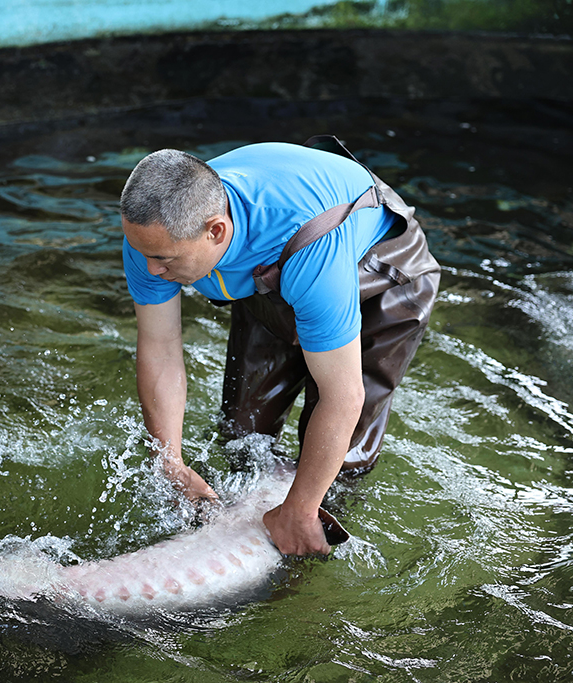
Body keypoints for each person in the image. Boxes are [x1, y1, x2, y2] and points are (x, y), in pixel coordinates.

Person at [120, 136, 440, 556]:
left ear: (216, 231)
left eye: (165, 260)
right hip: (274, 272)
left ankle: (305, 546)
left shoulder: (311, 252)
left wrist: (302, 509)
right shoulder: (154, 236)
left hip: (379, 278)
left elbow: (343, 396)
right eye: (143, 252)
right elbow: (160, 348)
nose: (150, 269)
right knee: (243, 436)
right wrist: (170, 461)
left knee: (336, 470)